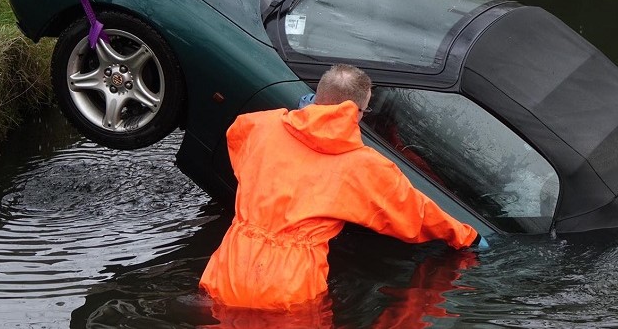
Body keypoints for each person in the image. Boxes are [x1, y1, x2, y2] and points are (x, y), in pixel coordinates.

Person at [199, 64, 483, 310]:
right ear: (355, 111)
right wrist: (466, 236)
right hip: (289, 285)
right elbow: (414, 212)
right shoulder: (363, 165)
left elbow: (238, 143)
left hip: (230, 266)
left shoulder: (261, 124)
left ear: (317, 96)